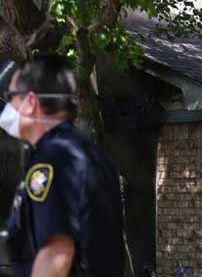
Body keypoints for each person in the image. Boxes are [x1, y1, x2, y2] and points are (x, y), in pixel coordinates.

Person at [0, 56, 124, 276]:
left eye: (11, 97)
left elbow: (56, 256)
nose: (8, 106)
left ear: (30, 102)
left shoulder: (55, 159)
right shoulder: (86, 152)